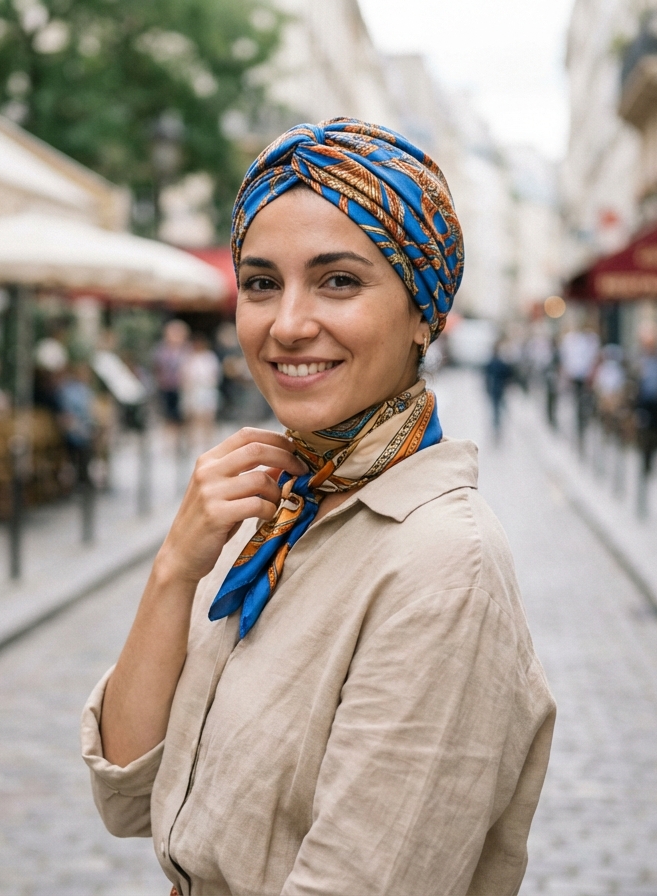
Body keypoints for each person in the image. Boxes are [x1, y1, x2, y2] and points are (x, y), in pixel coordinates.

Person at [82, 119, 555, 895]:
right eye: (262, 283)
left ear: (424, 314)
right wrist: (176, 567)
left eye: (339, 280)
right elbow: (128, 795)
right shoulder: (278, 509)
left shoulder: (441, 561)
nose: (288, 323)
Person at [631, 322, 657, 478]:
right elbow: (632, 379)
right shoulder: (638, 358)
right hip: (643, 401)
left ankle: (651, 458)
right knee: (644, 432)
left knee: (656, 432)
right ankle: (645, 461)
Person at [181, 332, 222, 454]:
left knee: (207, 416)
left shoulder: (209, 357)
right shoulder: (189, 358)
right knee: (193, 416)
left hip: (207, 389)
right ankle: (192, 441)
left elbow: (214, 374)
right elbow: (185, 375)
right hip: (194, 390)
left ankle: (207, 441)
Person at [153, 319, 191, 447]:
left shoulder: (187, 350)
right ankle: (170, 443)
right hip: (167, 388)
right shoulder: (161, 350)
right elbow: (157, 368)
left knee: (185, 416)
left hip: (184, 388)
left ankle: (184, 443)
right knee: (169, 416)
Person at [484, 338, 515, 444]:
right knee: (499, 410)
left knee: (497, 410)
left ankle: (497, 428)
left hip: (496, 389)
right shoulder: (499, 362)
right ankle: (498, 428)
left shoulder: (493, 362)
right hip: (499, 389)